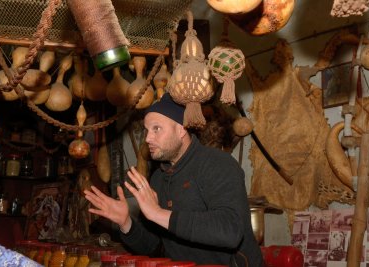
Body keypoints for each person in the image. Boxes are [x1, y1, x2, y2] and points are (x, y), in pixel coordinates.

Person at [84, 93, 264, 266]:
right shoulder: (158, 179)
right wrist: (126, 223)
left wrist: (158, 214)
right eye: (147, 130)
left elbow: (230, 231)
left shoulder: (218, 164)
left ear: (181, 130)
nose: (148, 138)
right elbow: (153, 247)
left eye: (157, 129)